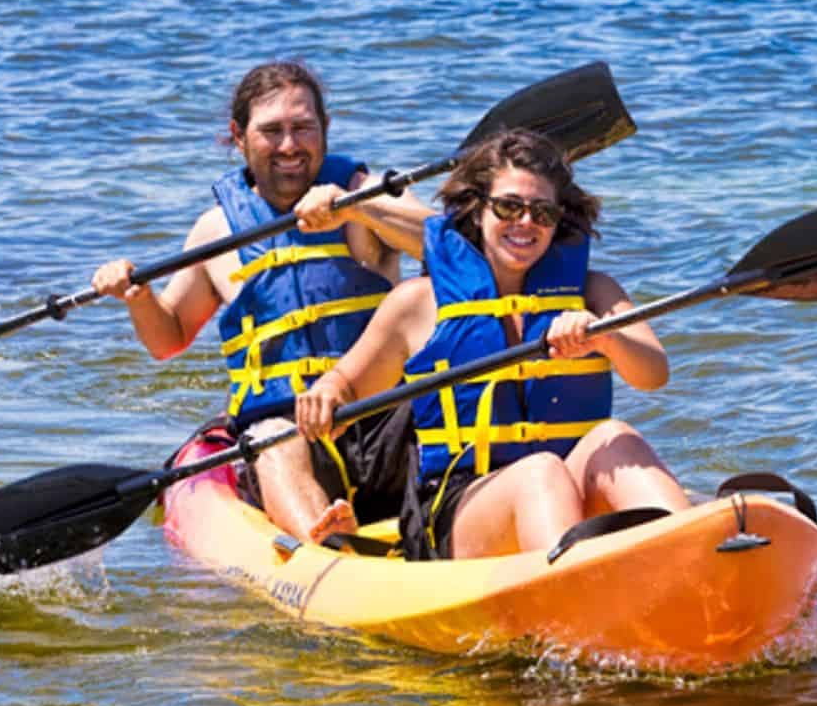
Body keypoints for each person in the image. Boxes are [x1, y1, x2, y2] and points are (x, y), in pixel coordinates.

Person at [293, 128, 691, 560]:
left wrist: (606, 338)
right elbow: (347, 387)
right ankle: (573, 592)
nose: (525, 223)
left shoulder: (593, 292)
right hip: (460, 507)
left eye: (542, 212)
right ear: (476, 210)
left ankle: (694, 559)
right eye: (508, 207)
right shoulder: (417, 303)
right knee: (540, 473)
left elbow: (654, 373)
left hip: (566, 483)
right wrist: (326, 393)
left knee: (617, 437)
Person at [92, 60, 432, 542]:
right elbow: (168, 339)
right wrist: (138, 296)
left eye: (303, 128)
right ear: (238, 136)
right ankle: (329, 543)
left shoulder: (365, 194)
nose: (290, 146)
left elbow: (447, 244)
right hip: (289, 426)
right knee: (275, 442)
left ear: (325, 129)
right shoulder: (217, 231)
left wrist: (358, 207)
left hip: (383, 414)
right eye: (272, 131)